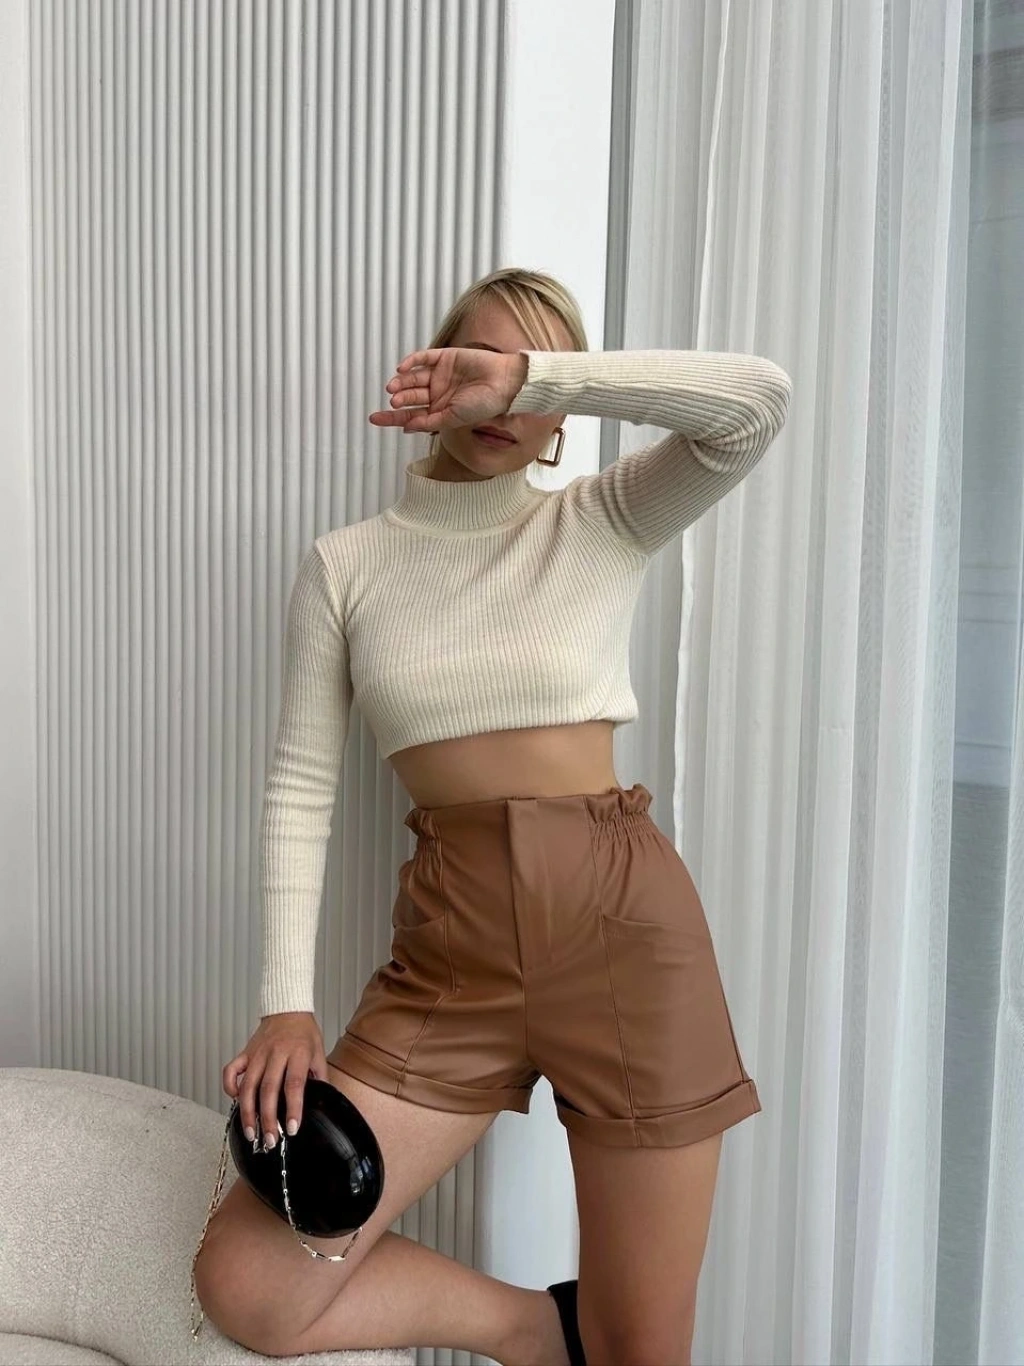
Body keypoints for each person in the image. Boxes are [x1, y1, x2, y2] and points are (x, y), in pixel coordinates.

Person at [193, 267, 792, 1365]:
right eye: (475, 367)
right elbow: (300, 785)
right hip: (451, 958)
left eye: (523, 384)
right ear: (433, 374)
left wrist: (534, 377)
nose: (498, 403)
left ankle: (599, 1338)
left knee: (645, 1348)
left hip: (623, 936)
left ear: (558, 408)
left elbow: (756, 403)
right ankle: (542, 1330)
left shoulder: (601, 518)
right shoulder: (346, 565)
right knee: (249, 1285)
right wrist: (285, 1003)